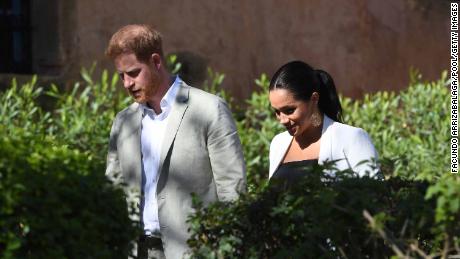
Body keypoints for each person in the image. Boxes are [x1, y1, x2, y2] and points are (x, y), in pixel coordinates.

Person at [104, 24, 246, 259]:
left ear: (156, 62)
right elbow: (112, 189)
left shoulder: (209, 109)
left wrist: (225, 248)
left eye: (133, 73)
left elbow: (233, 188)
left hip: (193, 251)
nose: (127, 84)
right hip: (134, 251)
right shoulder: (123, 122)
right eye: (121, 76)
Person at [268, 61, 379, 182]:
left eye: (289, 110)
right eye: (277, 112)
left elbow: (375, 193)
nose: (282, 120)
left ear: (314, 99)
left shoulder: (350, 137)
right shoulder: (278, 143)